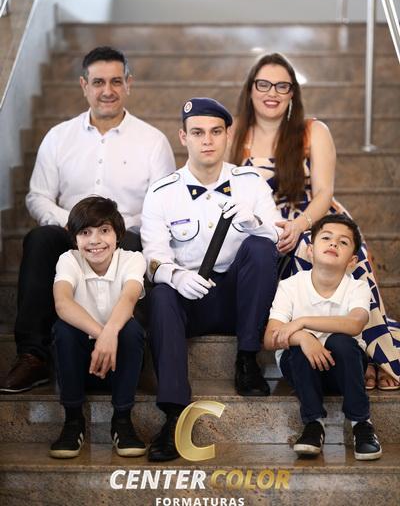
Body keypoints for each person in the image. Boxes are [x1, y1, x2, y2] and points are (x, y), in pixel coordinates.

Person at [0, 46, 175, 394]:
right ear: (84, 85)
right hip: (69, 235)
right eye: (98, 82)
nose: (107, 90)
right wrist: (72, 224)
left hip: (125, 236)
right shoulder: (58, 137)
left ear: (128, 84)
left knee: (132, 245)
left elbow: (164, 204)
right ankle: (33, 356)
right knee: (39, 239)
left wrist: (115, 228)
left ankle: (131, 350)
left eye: (115, 81)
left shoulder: (153, 142)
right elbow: (37, 196)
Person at [230, 52, 400, 389]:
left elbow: (324, 192)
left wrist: (301, 225)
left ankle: (370, 354)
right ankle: (310, 349)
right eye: (264, 85)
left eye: (282, 86)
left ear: (292, 92)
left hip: (311, 215)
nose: (272, 93)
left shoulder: (313, 131)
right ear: (250, 89)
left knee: (335, 249)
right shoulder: (234, 131)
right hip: (260, 220)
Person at [141, 97, 282, 462]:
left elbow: (278, 238)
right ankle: (174, 415)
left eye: (216, 132)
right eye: (198, 132)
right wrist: (176, 275)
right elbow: (152, 259)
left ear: (228, 136)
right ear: (183, 137)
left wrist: (255, 224)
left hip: (240, 300)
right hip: (192, 302)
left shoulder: (251, 183)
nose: (207, 140)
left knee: (260, 247)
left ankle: (247, 360)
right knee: (160, 295)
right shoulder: (162, 192)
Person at [264, 213, 382, 460]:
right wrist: (304, 338)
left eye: (343, 242)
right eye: (326, 238)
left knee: (341, 341)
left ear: (351, 261)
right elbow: (270, 337)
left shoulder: (357, 286)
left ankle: (361, 423)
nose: (333, 243)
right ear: (310, 251)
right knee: (297, 348)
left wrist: (302, 323)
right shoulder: (290, 285)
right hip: (301, 370)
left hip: (344, 370)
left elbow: (354, 324)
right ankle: (313, 424)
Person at [50, 196, 146, 459]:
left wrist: (111, 334)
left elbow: (129, 298)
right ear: (75, 238)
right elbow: (62, 303)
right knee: (63, 329)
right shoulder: (69, 259)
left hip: (120, 367)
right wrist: (103, 335)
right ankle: (73, 420)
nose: (95, 240)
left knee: (131, 330)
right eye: (85, 232)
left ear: (118, 235)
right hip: (79, 366)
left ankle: (122, 420)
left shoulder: (133, 259)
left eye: (104, 230)